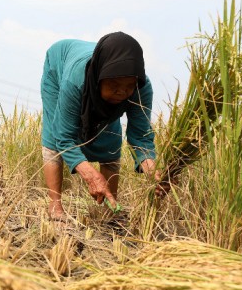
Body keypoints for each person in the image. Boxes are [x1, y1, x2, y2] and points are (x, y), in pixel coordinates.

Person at [40, 31, 171, 220]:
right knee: (54, 134)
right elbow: (64, 137)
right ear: (99, 77)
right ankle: (55, 205)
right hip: (59, 65)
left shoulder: (141, 87)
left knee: (110, 139)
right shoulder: (74, 81)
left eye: (128, 86)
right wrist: (91, 175)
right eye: (115, 85)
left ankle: (110, 210)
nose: (122, 92)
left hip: (100, 69)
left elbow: (141, 137)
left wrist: (154, 172)